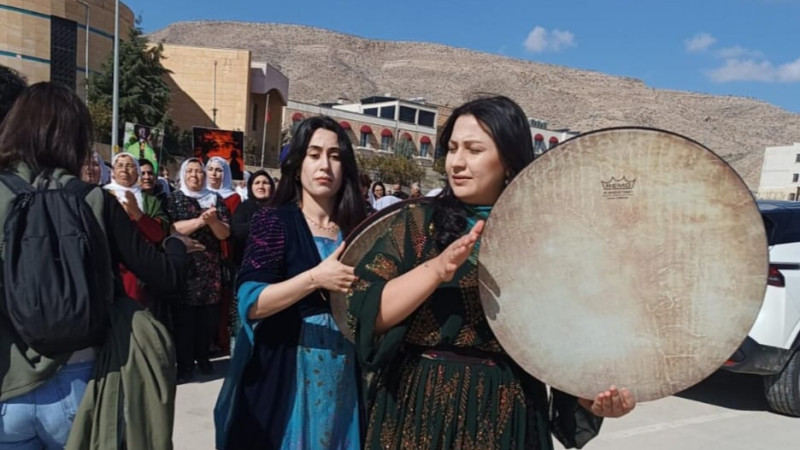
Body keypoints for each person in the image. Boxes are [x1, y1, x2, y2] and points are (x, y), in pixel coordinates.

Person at [348, 96, 636, 450]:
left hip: (505, 414)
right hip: (416, 408)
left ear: (509, 161)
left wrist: (593, 398)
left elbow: (565, 342)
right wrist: (436, 269)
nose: (457, 162)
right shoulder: (418, 223)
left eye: (473, 149)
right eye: (452, 148)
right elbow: (367, 312)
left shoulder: (544, 238)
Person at [0, 82, 194, 449]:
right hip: (81, 385)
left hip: (8, 388)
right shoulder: (94, 200)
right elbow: (166, 277)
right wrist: (174, 245)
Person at [215, 116, 366, 449]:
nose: (325, 164)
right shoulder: (274, 221)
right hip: (287, 373)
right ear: (297, 166)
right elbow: (252, 303)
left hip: (345, 376)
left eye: (335, 155)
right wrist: (314, 278)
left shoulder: (359, 229)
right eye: (314, 154)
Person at [166, 158, 231, 382]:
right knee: (184, 319)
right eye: (190, 171)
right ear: (183, 174)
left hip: (210, 268)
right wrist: (202, 221)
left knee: (208, 318)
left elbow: (224, 233)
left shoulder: (215, 199)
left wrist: (213, 222)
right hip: (185, 268)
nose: (195, 175)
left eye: (199, 172)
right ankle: (184, 364)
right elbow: (173, 228)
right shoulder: (174, 198)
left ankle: (203, 359)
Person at [104, 152, 171, 305]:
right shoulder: (103, 194)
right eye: (119, 166)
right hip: (111, 265)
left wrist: (137, 214)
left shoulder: (149, 200)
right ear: (113, 171)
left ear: (137, 172)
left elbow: (159, 234)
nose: (124, 170)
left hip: (141, 269)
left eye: (129, 166)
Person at [229, 170, 275, 351]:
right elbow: (237, 232)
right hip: (246, 270)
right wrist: (262, 223)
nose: (261, 186)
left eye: (265, 182)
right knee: (243, 316)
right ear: (250, 187)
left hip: (273, 272)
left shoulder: (279, 208)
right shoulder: (245, 207)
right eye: (257, 183)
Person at [206, 156, 242, 355]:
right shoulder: (197, 194)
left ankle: (221, 339)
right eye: (210, 169)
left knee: (223, 299)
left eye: (218, 170)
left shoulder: (233, 198)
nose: (213, 174)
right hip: (201, 254)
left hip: (223, 252)